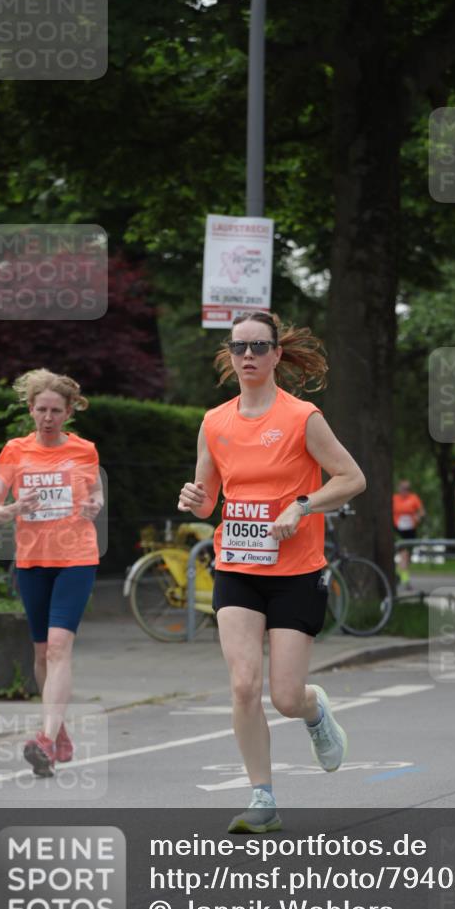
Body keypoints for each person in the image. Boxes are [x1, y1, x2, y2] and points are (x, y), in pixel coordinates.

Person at [178, 312, 365, 833]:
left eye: (259, 346)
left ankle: (314, 711)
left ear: (277, 354)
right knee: (243, 685)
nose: (249, 355)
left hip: (296, 570)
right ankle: (263, 797)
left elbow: (352, 478)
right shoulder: (215, 422)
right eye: (239, 346)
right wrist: (193, 498)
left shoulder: (303, 417)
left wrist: (302, 505)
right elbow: (208, 500)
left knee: (285, 696)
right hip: (237, 565)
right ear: (230, 353)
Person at [0, 369, 103, 777]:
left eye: (55, 411)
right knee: (40, 654)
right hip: (33, 562)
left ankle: (45, 740)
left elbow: (95, 493)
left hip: (76, 559)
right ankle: (59, 732)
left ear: (69, 412)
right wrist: (15, 509)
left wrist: (95, 505)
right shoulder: (15, 451)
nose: (48, 418)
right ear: (30, 410)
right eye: (41, 410)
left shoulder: (85, 450)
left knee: (57, 648)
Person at [392, 480, 425, 590]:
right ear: (398, 488)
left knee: (407, 558)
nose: (405, 491)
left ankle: (397, 573)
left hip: (411, 531)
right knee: (404, 556)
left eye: (407, 489)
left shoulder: (413, 498)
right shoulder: (394, 499)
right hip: (399, 531)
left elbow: (422, 512)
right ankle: (406, 581)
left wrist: (418, 517)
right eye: (403, 488)